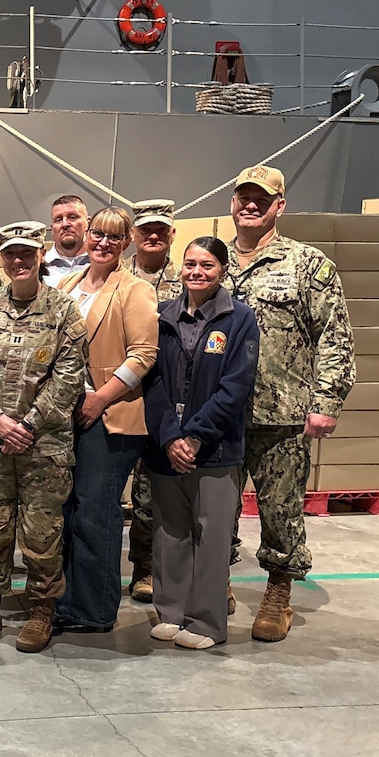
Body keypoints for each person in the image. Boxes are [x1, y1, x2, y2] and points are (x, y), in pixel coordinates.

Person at [225, 164, 354, 642]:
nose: (251, 204)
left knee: (281, 510)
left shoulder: (307, 264)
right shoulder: (209, 262)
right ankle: (217, 582)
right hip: (218, 415)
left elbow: (335, 336)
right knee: (216, 509)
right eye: (244, 196)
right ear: (233, 203)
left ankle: (278, 591)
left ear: (280, 205)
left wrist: (327, 400)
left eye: (263, 197)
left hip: (281, 415)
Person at [0, 222, 87, 653]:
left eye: (27, 253)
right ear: (2, 257)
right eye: (11, 253)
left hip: (43, 448)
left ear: (41, 254)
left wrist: (28, 424)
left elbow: (69, 376)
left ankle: (40, 610)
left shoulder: (64, 310)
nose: (18, 261)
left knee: (41, 535)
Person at [143, 238, 259, 650]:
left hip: (215, 449)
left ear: (223, 270)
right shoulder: (161, 317)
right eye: (190, 264)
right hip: (166, 447)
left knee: (210, 536)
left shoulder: (240, 319)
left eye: (206, 265)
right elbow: (151, 381)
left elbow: (236, 386)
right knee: (170, 531)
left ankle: (207, 622)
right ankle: (171, 612)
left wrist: (194, 436)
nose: (196, 272)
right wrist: (170, 437)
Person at [55, 206, 159, 635]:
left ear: (126, 243)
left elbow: (144, 356)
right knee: (67, 510)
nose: (102, 242)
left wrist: (100, 399)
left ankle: (94, 609)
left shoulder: (135, 291)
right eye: (97, 233)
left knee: (95, 512)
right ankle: (66, 597)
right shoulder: (67, 284)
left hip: (111, 416)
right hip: (65, 414)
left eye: (114, 237)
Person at [125, 198, 185, 602]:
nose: (152, 235)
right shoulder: (115, 277)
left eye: (160, 230)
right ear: (133, 234)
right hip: (123, 394)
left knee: (154, 487)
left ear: (171, 234)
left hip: (167, 396)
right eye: (145, 229)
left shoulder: (190, 278)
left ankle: (148, 567)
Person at [45, 195, 90, 284]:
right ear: (52, 228)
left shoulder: (102, 265)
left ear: (88, 223)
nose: (65, 224)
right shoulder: (38, 267)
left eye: (72, 217)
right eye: (58, 219)